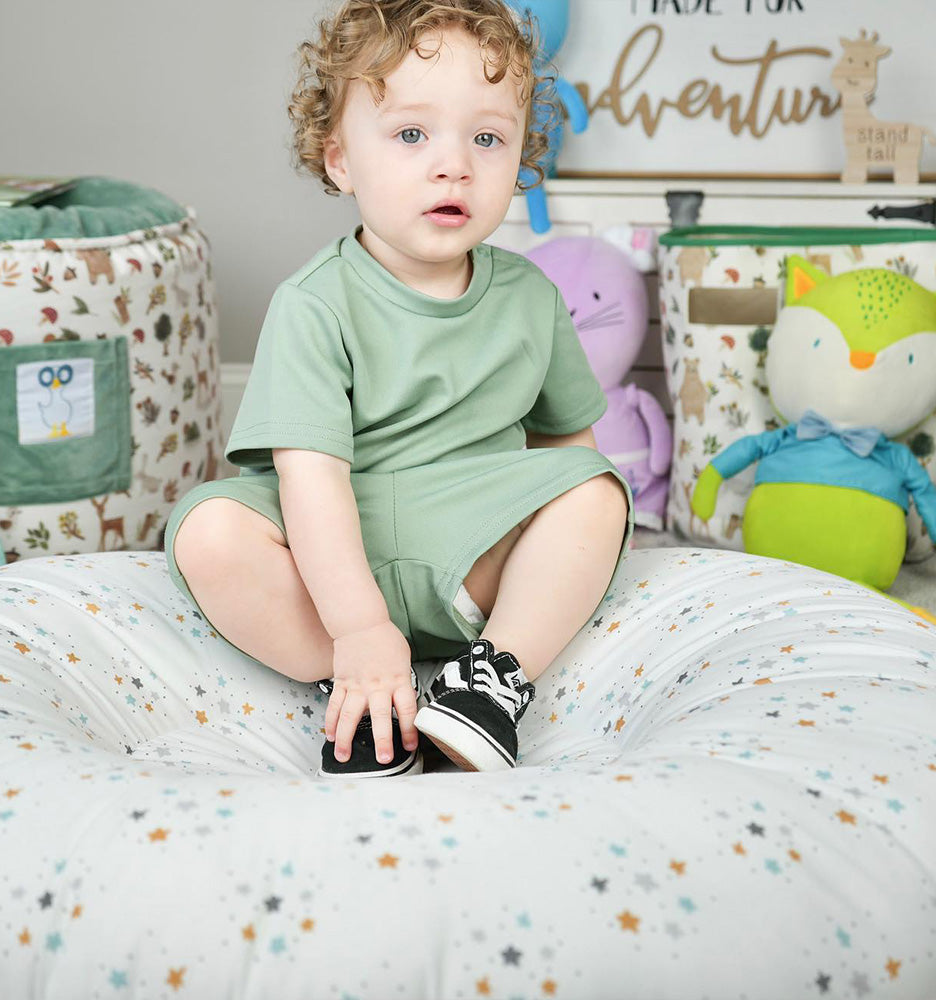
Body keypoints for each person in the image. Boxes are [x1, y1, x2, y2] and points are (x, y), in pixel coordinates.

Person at [164, 0, 633, 780]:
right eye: (412, 135)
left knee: (598, 491)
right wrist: (357, 627)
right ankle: (367, 690)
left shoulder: (531, 297)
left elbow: (567, 447)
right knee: (209, 533)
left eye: (487, 139)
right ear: (340, 160)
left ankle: (489, 677)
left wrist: (580, 548)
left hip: (472, 553)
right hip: (331, 551)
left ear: (521, 158)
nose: (454, 165)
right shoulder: (313, 303)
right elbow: (310, 480)